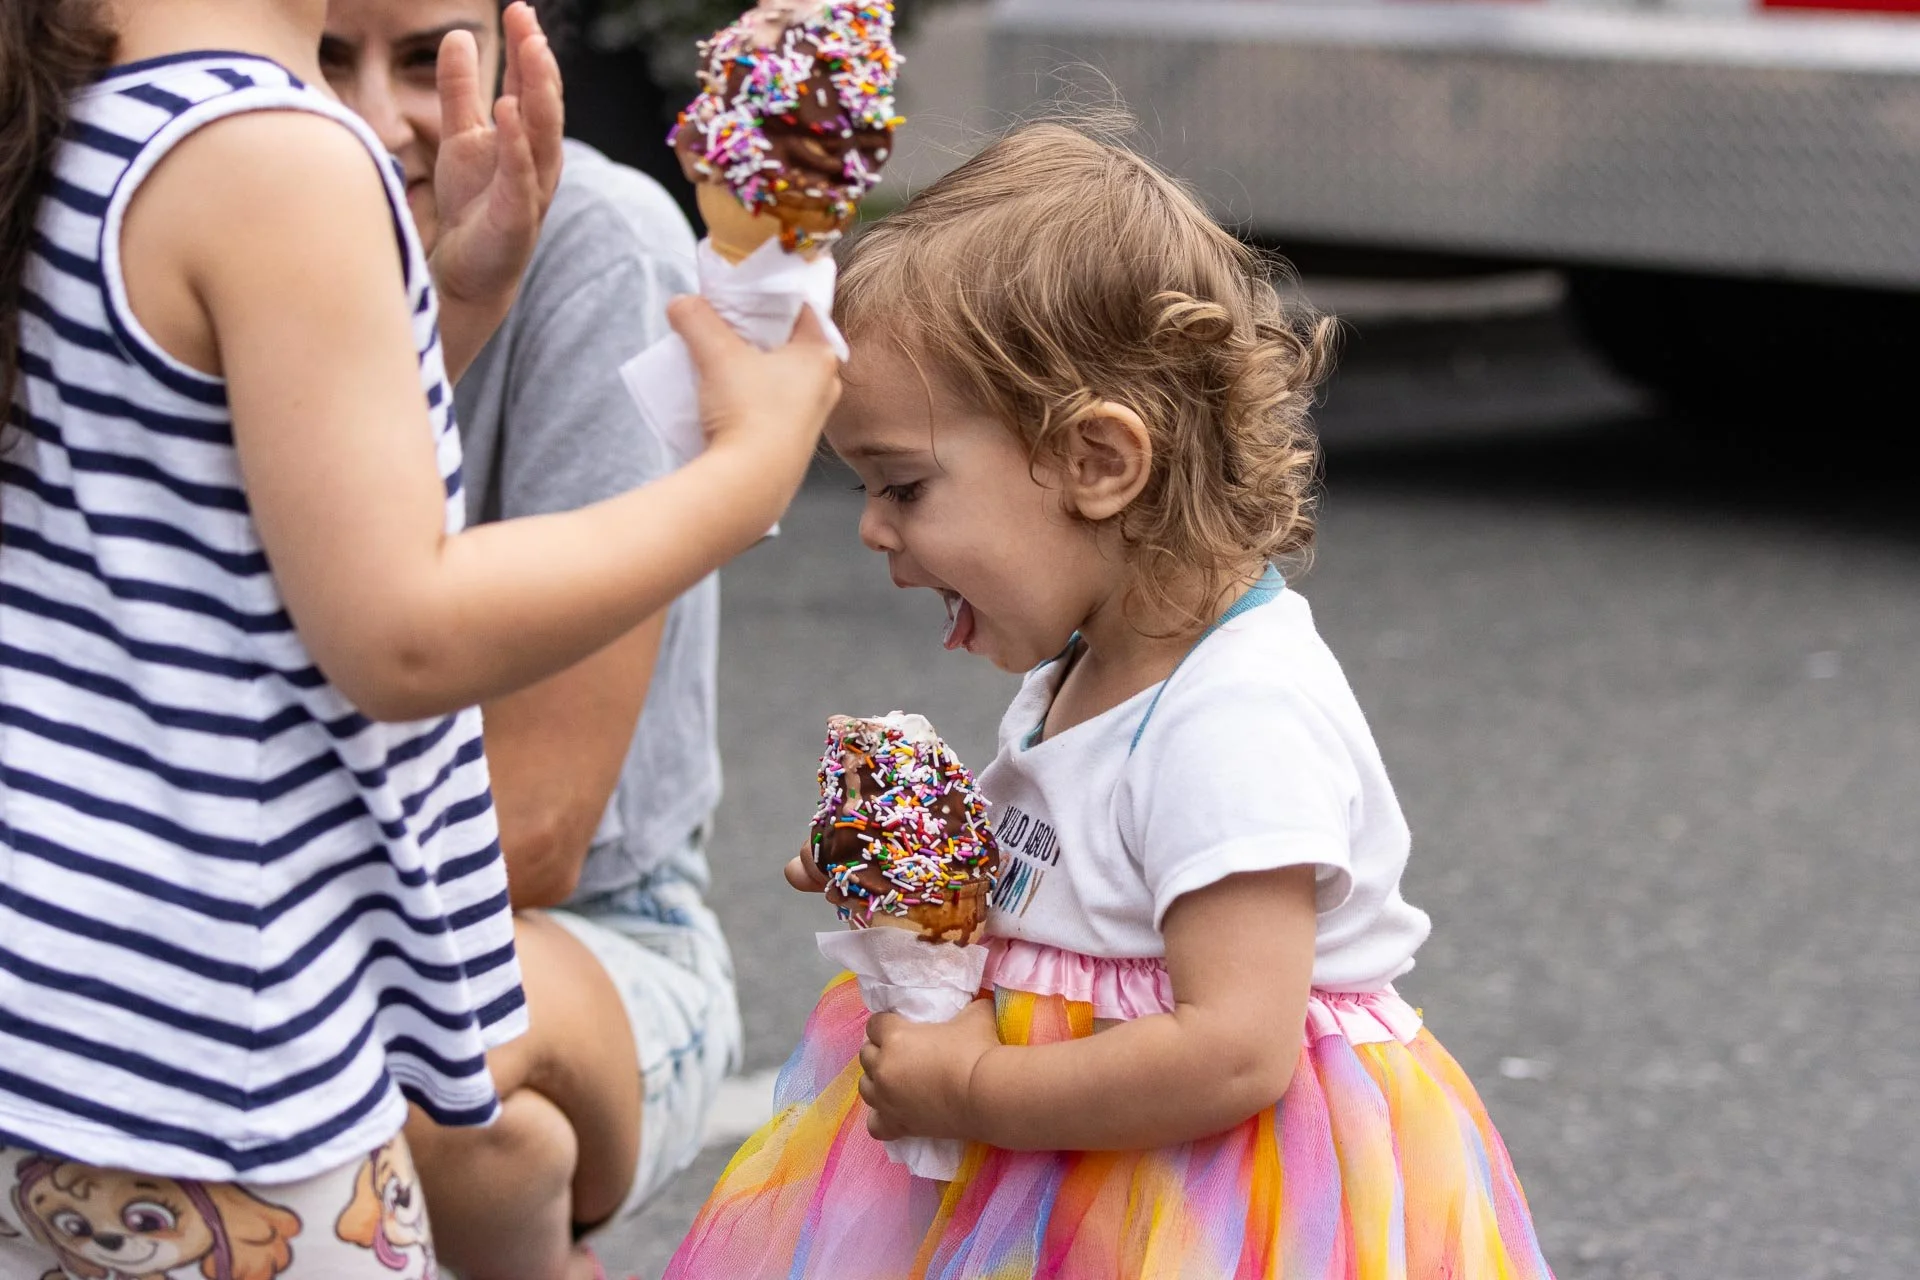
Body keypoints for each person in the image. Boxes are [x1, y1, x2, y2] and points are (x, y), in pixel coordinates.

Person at [0, 0, 838, 1277]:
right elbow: (398, 633)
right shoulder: (273, 152)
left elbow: (207, 506)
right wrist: (749, 471)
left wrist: (448, 302)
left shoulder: (89, 114)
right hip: (221, 1068)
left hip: (53, 1021)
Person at [663, 120, 1557, 1279]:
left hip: (1199, 1198)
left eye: (905, 483)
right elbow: (1079, 879)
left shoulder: (1234, 716)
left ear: (1097, 461)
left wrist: (977, 1084)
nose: (877, 528)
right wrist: (917, 868)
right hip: (1070, 1164)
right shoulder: (1093, 662)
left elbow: (1234, 1049)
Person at [318, 3, 738, 1273]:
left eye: (426, 60)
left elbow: (540, 825)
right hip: (310, 900)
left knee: (375, 1083)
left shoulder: (601, 244)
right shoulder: (214, 224)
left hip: (580, 926)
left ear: (515, 51)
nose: (379, 116)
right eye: (327, 57)